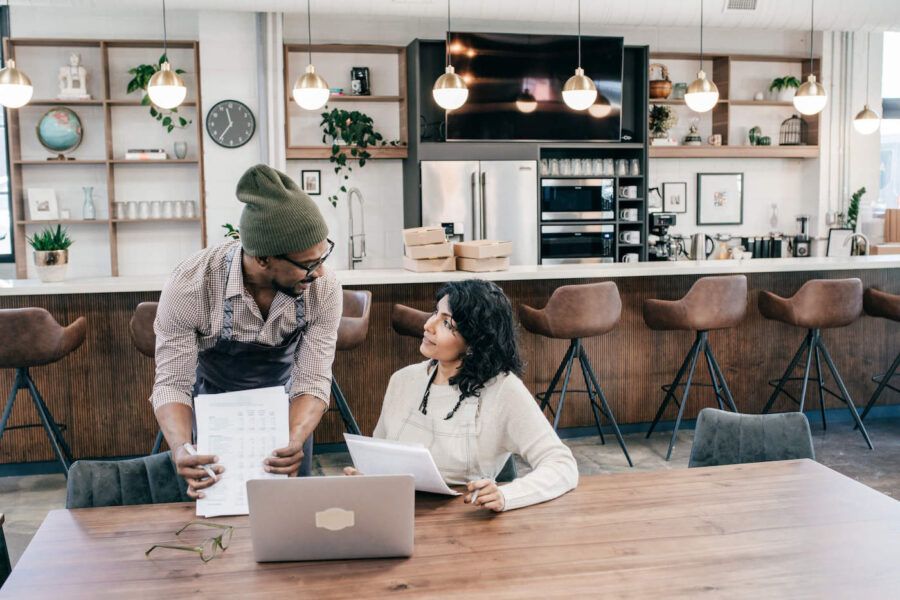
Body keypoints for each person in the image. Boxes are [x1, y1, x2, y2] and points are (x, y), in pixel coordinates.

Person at [152, 164, 342, 499]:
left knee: (289, 511)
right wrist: (182, 446)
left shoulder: (322, 288)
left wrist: (294, 439)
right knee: (220, 509)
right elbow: (172, 382)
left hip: (288, 405)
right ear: (264, 259)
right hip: (214, 404)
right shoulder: (192, 284)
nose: (320, 271)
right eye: (309, 264)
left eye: (322, 254)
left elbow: (312, 378)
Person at [348, 279, 578, 511]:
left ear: (475, 341)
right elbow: (380, 457)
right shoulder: (402, 380)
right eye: (435, 313)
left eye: (447, 323)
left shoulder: (503, 390)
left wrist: (508, 495)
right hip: (395, 511)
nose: (429, 325)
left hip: (467, 520)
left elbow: (561, 465)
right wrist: (367, 479)